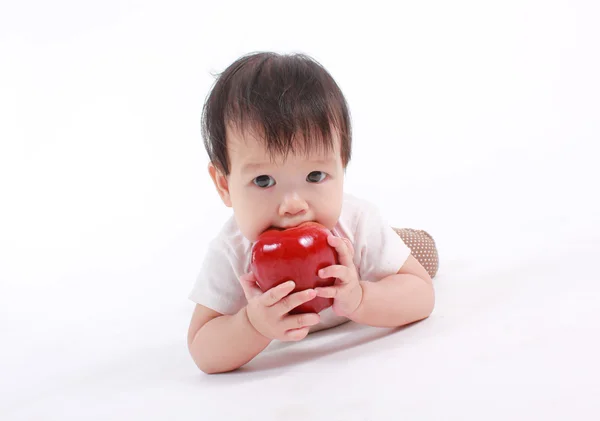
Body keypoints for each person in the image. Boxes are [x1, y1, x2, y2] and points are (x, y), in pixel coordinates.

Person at [187, 51, 438, 374]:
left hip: (364, 260)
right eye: (264, 180)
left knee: (422, 259)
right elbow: (202, 349)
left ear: (342, 166)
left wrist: (361, 298)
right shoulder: (231, 252)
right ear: (224, 186)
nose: (293, 204)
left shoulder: (358, 223)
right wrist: (251, 324)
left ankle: (400, 243)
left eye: (315, 176)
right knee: (216, 302)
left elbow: (422, 297)